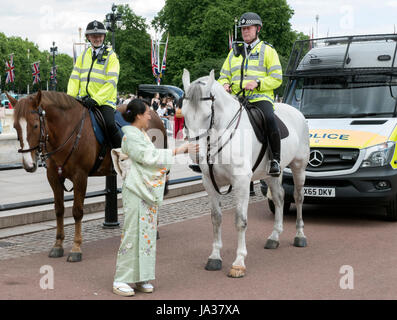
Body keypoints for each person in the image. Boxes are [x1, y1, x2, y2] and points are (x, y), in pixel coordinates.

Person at [112, 98, 198, 296]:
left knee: (147, 234)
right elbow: (149, 159)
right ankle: (121, 278)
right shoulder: (131, 136)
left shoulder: (140, 134)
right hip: (136, 188)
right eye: (147, 113)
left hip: (144, 187)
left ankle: (142, 276)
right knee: (133, 232)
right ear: (138, 116)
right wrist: (179, 150)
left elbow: (151, 160)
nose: (150, 116)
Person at [218, 12, 283, 176]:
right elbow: (223, 75)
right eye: (243, 29)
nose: (245, 31)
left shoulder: (268, 50)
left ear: (258, 29)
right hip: (235, 98)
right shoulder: (233, 52)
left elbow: (277, 78)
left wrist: (258, 83)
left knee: (269, 118)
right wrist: (224, 84)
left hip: (260, 98)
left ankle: (275, 159)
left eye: (248, 28)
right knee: (214, 117)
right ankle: (209, 158)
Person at [67, 20, 122, 148]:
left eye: (99, 36)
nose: (97, 38)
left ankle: (122, 156)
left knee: (109, 124)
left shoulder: (111, 56)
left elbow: (111, 82)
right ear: (88, 37)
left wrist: (96, 99)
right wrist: (70, 98)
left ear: (104, 37)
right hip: (84, 100)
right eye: (93, 36)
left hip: (104, 102)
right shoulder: (83, 55)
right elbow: (74, 78)